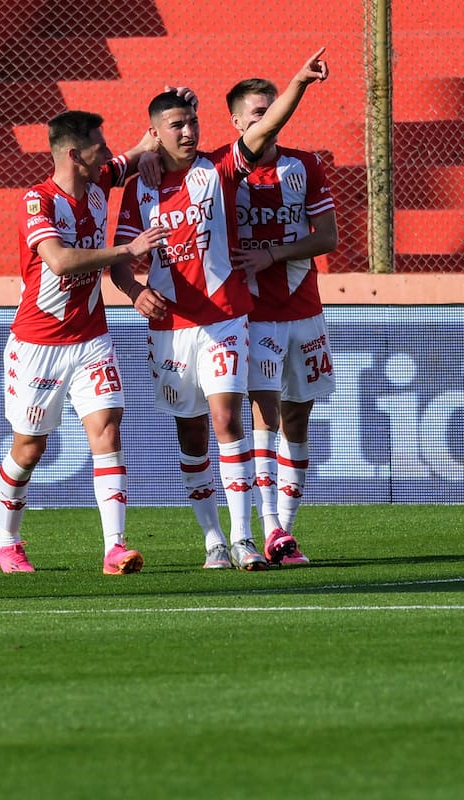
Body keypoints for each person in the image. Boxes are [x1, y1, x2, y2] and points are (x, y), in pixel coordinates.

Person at [113, 49, 330, 571]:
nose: (188, 132)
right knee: (190, 432)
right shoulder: (137, 188)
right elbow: (122, 260)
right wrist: (133, 292)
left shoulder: (219, 169)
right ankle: (211, 537)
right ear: (155, 134)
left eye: (192, 123)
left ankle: (243, 537)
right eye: (176, 126)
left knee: (227, 418)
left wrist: (297, 82)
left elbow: (264, 129)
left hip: (226, 319)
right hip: (169, 326)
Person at [0, 109, 171, 574]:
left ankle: (115, 546)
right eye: (99, 145)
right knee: (29, 448)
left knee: (108, 427)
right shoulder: (38, 201)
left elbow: (132, 156)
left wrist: (157, 134)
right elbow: (59, 261)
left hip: (91, 337)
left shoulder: (99, 183)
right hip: (38, 343)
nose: (107, 152)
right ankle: (6, 540)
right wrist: (127, 251)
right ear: (75, 154)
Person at [224, 77, 339, 566]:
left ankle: (286, 532)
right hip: (255, 314)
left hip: (304, 309)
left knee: (298, 418)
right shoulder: (223, 170)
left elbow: (327, 236)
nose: (265, 120)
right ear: (236, 122)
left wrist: (273, 254)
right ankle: (268, 526)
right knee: (264, 415)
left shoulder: (303, 164)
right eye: (255, 113)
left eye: (270, 110)